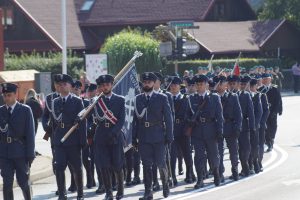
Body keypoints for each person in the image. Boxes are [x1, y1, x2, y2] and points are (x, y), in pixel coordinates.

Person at [133, 72, 173, 199]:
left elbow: (168, 118)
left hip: (158, 135)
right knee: (146, 165)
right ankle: (148, 191)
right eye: (144, 82)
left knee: (161, 163)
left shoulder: (162, 98)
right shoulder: (138, 99)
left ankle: (165, 184)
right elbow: (135, 120)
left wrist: (169, 135)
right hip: (144, 136)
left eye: (149, 82)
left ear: (154, 83)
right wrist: (133, 138)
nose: (146, 84)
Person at [52, 74, 87, 200]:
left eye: (64, 84)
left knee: (77, 167)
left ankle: (80, 194)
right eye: (59, 84)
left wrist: (83, 141)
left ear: (70, 86)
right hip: (60, 140)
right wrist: (53, 141)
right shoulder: (54, 102)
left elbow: (82, 122)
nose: (61, 86)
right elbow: (53, 123)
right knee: (59, 166)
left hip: (73, 139)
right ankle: (62, 194)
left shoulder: (77, 101)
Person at [185, 74, 223, 189]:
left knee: (213, 156)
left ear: (207, 85)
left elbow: (219, 116)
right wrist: (190, 122)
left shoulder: (214, 97)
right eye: (197, 84)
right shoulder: (191, 98)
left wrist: (220, 131)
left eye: (201, 84)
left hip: (211, 130)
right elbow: (186, 115)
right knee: (198, 157)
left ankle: (216, 172)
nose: (199, 86)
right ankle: (200, 179)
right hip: (197, 132)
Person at [0, 83, 35, 200]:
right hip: (4, 153)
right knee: (7, 182)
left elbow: (30, 134)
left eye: (9, 95)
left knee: (23, 182)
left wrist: (30, 154)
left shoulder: (25, 110)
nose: (6, 98)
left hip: (20, 152)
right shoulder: (0, 111)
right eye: (4, 96)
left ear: (16, 94)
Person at [93, 74, 125, 200]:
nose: (105, 87)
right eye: (102, 86)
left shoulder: (120, 99)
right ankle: (109, 192)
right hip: (101, 137)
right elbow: (89, 116)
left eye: (107, 85)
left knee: (117, 165)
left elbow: (122, 120)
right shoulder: (96, 101)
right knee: (104, 166)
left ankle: (120, 190)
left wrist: (114, 132)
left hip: (115, 136)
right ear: (100, 87)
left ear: (111, 85)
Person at [169, 76, 195, 186]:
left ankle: (189, 173)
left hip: (184, 130)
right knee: (172, 155)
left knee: (187, 154)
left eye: (175, 85)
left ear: (180, 86)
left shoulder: (186, 98)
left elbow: (191, 114)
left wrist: (189, 125)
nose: (173, 86)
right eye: (172, 85)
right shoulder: (166, 98)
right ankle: (172, 176)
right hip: (172, 129)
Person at [217, 75, 242, 181]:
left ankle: (235, 170)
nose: (218, 86)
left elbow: (238, 114)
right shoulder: (213, 97)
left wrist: (237, 128)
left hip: (230, 126)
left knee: (233, 151)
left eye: (220, 84)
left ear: (225, 85)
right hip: (218, 127)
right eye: (217, 84)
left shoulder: (233, 96)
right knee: (219, 152)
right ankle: (220, 172)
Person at [259, 73, 282, 152]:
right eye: (264, 79)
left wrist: (278, 111)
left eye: (267, 79)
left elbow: (278, 101)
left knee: (273, 127)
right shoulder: (260, 89)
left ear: (270, 80)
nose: (266, 80)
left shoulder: (274, 88)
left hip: (272, 111)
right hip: (264, 112)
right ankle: (269, 142)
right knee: (266, 127)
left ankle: (271, 139)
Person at [237, 75, 255, 177]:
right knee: (239, 149)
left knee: (246, 148)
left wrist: (252, 127)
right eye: (241, 84)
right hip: (236, 125)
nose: (243, 86)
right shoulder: (235, 94)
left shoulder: (247, 95)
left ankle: (248, 166)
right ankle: (244, 167)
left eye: (244, 84)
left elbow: (251, 112)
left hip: (245, 124)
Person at [248, 78, 263, 174]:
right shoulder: (244, 96)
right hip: (246, 126)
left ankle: (256, 163)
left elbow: (260, 112)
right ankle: (249, 165)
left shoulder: (259, 96)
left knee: (255, 146)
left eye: (251, 86)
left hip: (255, 126)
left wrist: (255, 124)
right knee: (246, 147)